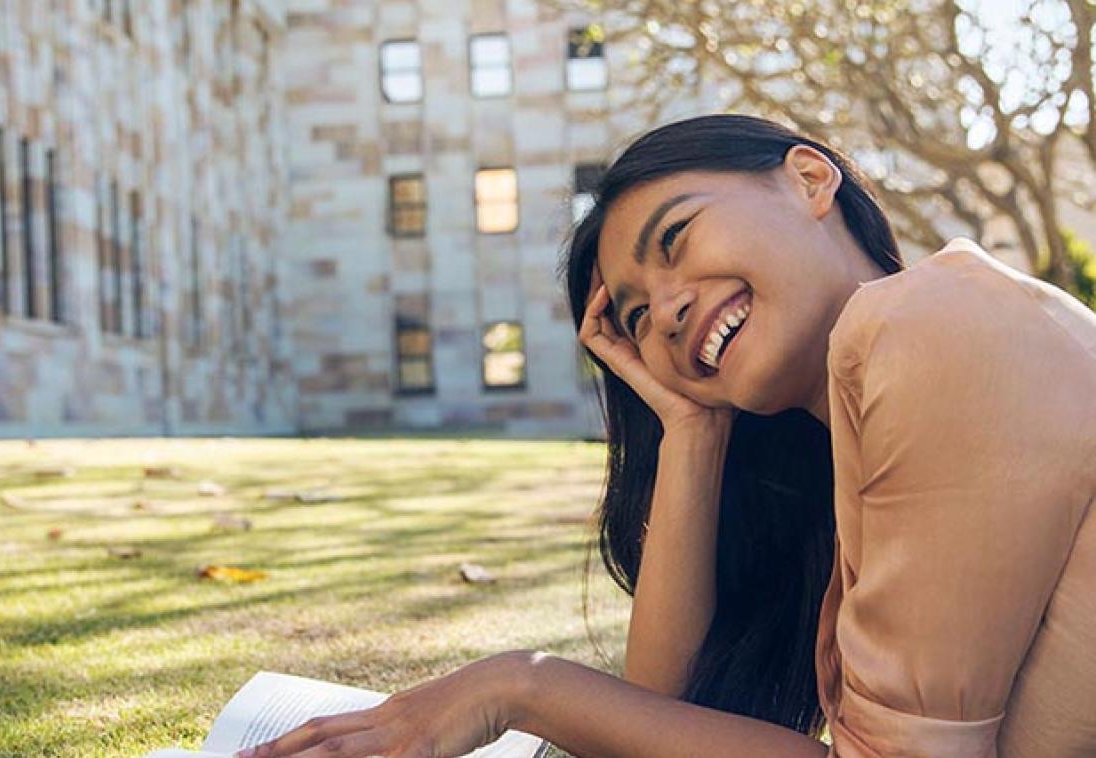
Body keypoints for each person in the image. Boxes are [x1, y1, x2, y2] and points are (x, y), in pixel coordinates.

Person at [235, 114, 1096, 758]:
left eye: (678, 239)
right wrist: (691, 426)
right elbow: (662, 716)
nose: (670, 307)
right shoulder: (859, 441)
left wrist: (519, 686)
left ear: (808, 180)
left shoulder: (929, 324)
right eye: (638, 315)